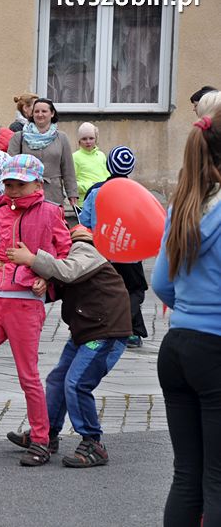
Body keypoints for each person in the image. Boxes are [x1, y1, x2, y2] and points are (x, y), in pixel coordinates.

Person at [0, 154, 71, 465]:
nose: (13, 190)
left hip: (25, 303)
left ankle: (40, 439)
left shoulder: (51, 212)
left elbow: (66, 256)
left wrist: (45, 277)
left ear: (38, 183)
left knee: (28, 376)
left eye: (20, 184)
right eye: (9, 183)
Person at [4, 224, 131, 467]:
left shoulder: (84, 250)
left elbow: (68, 272)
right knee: (58, 379)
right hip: (87, 329)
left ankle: (93, 442)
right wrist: (42, 281)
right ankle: (47, 434)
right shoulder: (71, 254)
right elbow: (61, 280)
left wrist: (32, 259)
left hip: (106, 332)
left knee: (77, 383)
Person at [152, 108, 221, 525]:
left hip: (177, 348)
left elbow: (161, 283)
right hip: (215, 352)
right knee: (217, 479)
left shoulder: (184, 205)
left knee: (187, 476)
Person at [80, 146, 148, 348]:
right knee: (134, 289)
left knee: (106, 290)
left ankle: (106, 328)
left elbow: (85, 220)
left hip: (103, 252)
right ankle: (133, 332)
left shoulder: (95, 190)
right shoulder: (138, 192)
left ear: (108, 165)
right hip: (131, 253)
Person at [8, 98, 78, 209]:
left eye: (44, 111)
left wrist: (72, 193)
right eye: (36, 111)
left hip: (53, 194)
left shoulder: (61, 137)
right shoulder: (19, 137)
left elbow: (68, 168)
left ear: (52, 113)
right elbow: (10, 168)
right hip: (26, 193)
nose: (40, 115)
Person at [72, 122, 107, 207]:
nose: (88, 142)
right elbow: (72, 183)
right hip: (84, 202)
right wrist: (92, 187)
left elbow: (107, 176)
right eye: (84, 139)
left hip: (102, 200)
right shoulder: (75, 157)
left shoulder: (101, 155)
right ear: (79, 141)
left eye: (91, 138)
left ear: (96, 139)